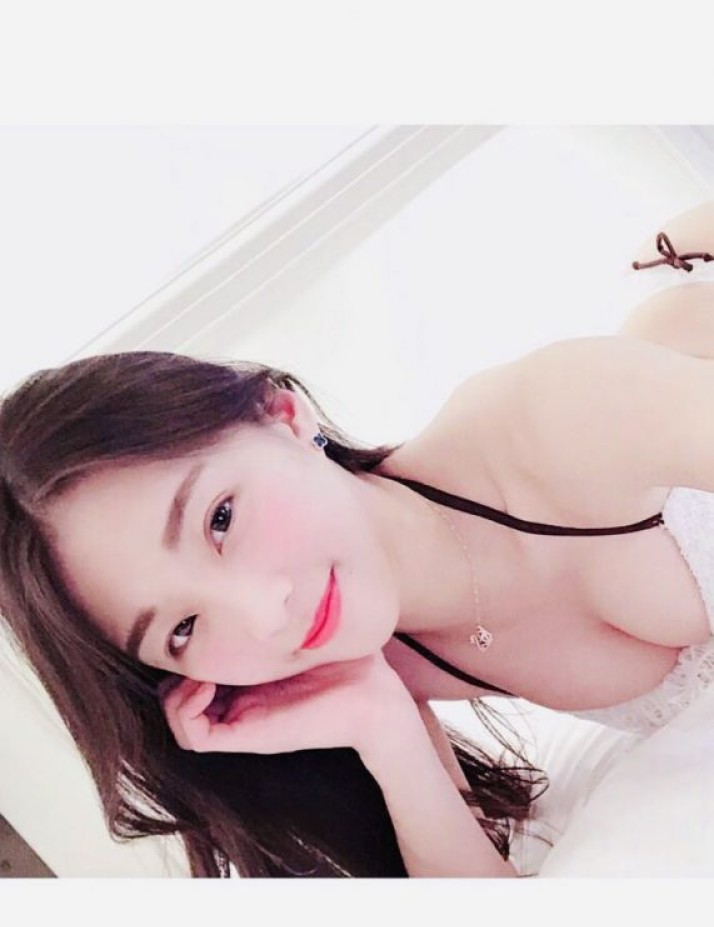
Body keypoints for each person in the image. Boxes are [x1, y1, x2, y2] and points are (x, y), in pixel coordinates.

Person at [1, 202, 714, 878]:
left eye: (220, 519)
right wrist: (384, 728)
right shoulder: (374, 661)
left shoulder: (556, 418)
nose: (265, 611)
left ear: (286, 417)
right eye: (183, 628)